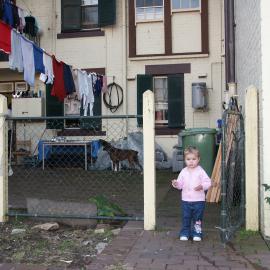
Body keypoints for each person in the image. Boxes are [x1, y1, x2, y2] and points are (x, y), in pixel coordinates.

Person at [171, 146, 211, 242]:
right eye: (188, 159)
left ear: (198, 159)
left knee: (197, 218)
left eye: (194, 159)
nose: (191, 161)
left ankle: (197, 233)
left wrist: (202, 186)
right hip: (186, 200)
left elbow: (208, 182)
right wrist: (176, 183)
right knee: (186, 217)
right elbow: (180, 185)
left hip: (199, 201)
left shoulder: (200, 171)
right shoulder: (183, 172)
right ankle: (185, 233)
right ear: (185, 160)